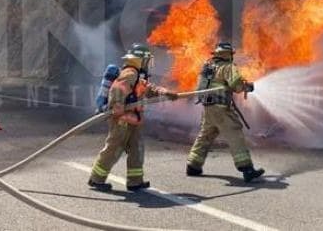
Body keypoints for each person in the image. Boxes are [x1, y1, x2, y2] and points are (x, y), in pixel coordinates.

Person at [88, 43, 178, 192]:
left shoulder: (137, 76)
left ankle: (135, 182)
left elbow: (148, 88)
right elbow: (117, 89)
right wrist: (117, 105)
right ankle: (96, 179)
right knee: (113, 149)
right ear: (139, 60)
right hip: (122, 120)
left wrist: (165, 92)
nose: (147, 63)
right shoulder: (130, 73)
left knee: (137, 149)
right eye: (146, 60)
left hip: (134, 120)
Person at [186, 42, 264, 182]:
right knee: (235, 134)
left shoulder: (208, 66)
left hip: (208, 108)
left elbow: (201, 87)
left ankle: (193, 165)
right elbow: (237, 86)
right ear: (228, 55)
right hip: (221, 109)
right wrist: (247, 86)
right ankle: (247, 169)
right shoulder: (228, 67)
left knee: (206, 135)